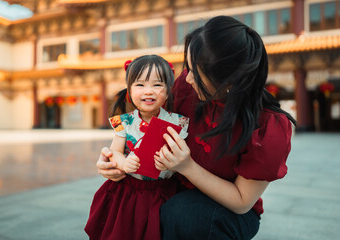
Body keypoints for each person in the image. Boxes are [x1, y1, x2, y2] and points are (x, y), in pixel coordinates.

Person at [96, 16, 296, 240]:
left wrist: (187, 166)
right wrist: (115, 159)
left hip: (223, 211)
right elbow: (143, 123)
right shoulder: (187, 87)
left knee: (185, 212)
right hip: (171, 190)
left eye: (196, 72)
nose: (187, 78)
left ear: (228, 78)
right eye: (187, 68)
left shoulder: (267, 126)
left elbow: (241, 201)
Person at [85, 55, 189, 240]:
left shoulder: (177, 122)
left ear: (168, 91)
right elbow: (114, 152)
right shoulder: (124, 122)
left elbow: (181, 155)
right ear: (129, 90)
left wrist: (170, 163)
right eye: (140, 85)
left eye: (157, 85)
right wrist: (124, 163)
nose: (148, 91)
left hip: (163, 191)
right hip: (128, 193)